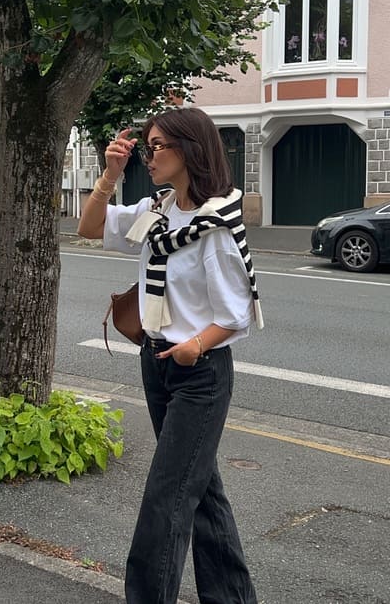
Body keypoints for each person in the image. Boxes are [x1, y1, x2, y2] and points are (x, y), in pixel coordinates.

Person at [77, 107, 263, 604]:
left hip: (198, 372)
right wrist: (110, 175)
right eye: (149, 146)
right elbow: (90, 228)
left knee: (167, 500)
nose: (149, 155)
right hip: (157, 363)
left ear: (190, 150)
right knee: (198, 493)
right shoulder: (157, 211)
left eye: (159, 146)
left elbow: (237, 313)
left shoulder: (216, 225)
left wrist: (192, 348)